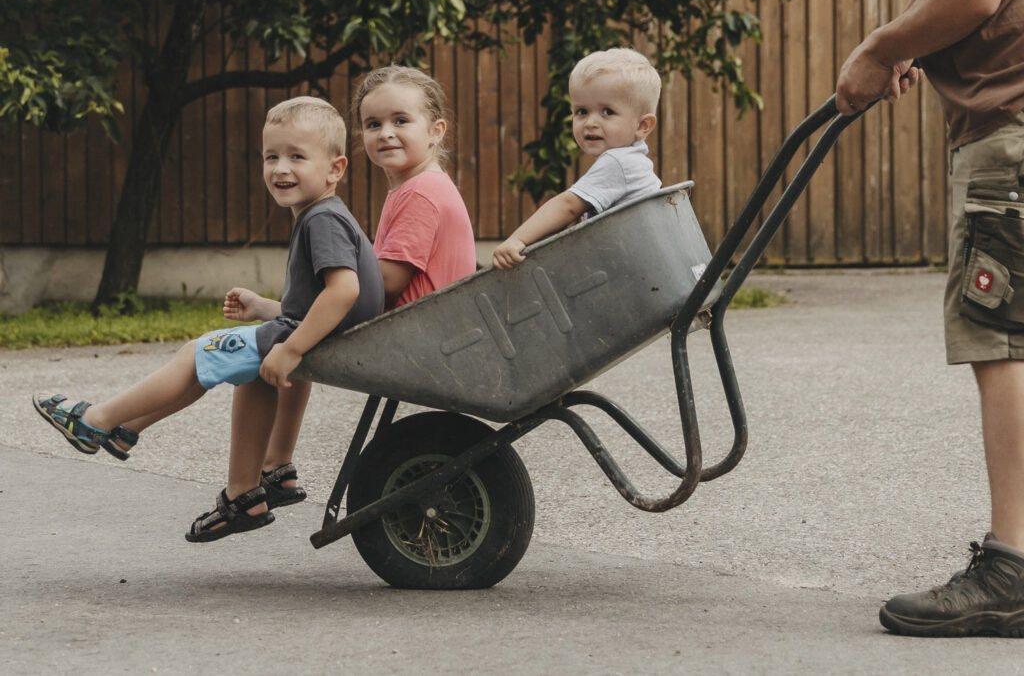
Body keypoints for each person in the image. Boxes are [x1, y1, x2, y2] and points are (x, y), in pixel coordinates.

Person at [33, 96, 385, 542]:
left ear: (335, 169)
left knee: (198, 354)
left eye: (297, 156)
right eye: (271, 156)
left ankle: (96, 421)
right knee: (240, 368)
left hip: (313, 341)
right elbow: (317, 305)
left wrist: (291, 347)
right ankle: (243, 479)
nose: (281, 168)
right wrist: (264, 308)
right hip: (328, 336)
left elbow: (344, 292)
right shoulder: (323, 216)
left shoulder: (322, 221)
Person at [836, 0, 1024, 637]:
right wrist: (921, 41)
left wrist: (879, 47)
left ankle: (1012, 569)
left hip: (1010, 134)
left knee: (1002, 341)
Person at [492, 47, 662, 270]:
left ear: (642, 125)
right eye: (581, 111)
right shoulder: (631, 159)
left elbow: (568, 205)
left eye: (607, 112)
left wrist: (518, 239)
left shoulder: (618, 162)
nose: (590, 122)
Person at [352, 66, 477, 309]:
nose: (386, 133)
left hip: (417, 338)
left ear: (435, 131)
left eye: (401, 121)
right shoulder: (424, 186)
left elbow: (387, 284)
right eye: (373, 124)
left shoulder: (420, 192)